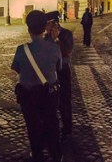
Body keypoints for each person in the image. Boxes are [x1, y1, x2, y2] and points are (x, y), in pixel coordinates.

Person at [12, 10, 62, 161]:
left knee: (33, 126)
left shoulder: (21, 50)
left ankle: (37, 153)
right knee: (51, 124)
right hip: (49, 94)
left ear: (29, 29)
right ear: (44, 28)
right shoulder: (54, 48)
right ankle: (56, 154)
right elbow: (58, 67)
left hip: (28, 96)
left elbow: (17, 68)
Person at [45, 11, 74, 139]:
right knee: (50, 102)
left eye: (47, 24)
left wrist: (57, 39)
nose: (45, 27)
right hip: (50, 72)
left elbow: (66, 53)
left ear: (54, 24)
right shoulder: (45, 37)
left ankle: (67, 128)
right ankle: (52, 128)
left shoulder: (67, 34)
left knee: (64, 101)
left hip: (63, 71)